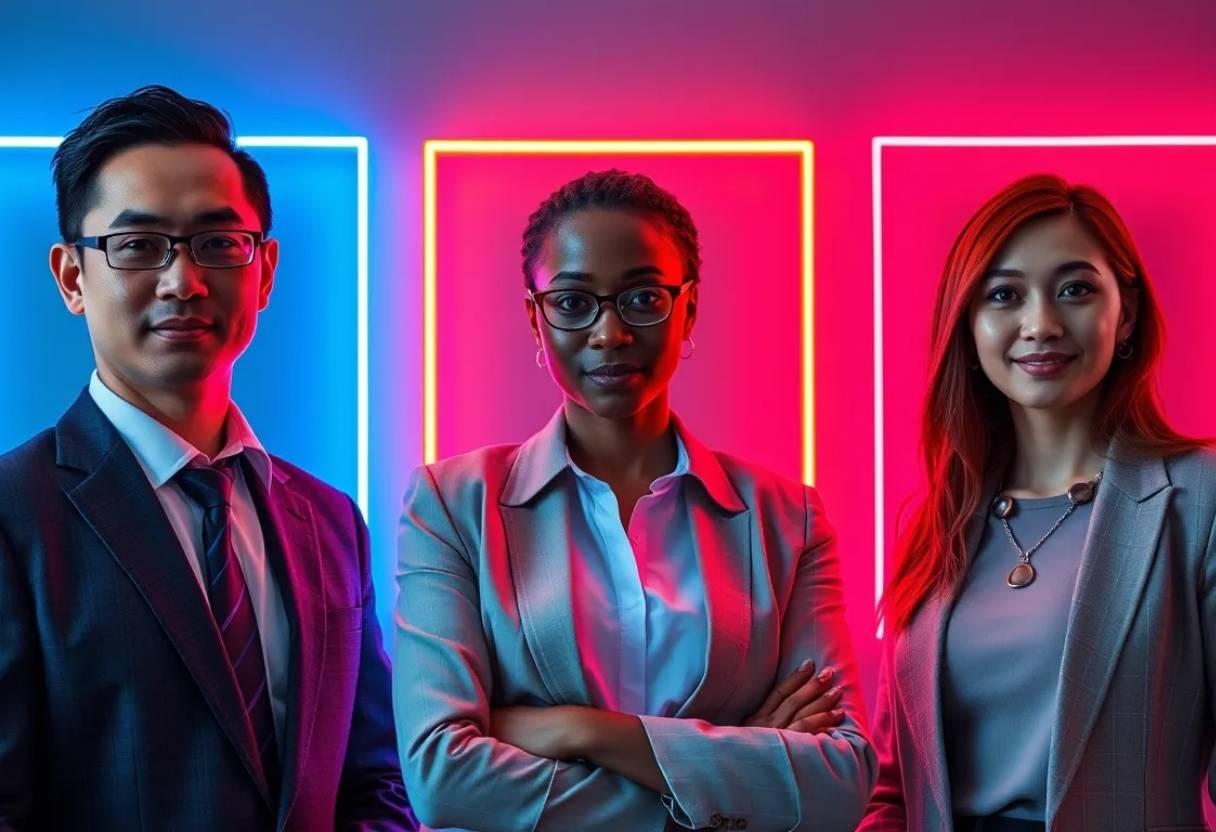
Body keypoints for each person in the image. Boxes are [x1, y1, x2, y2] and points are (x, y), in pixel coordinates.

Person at [394, 169, 875, 831]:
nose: (609, 333)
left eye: (643, 297)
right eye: (572, 302)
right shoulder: (452, 506)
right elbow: (443, 779)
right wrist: (725, 785)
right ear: (535, 319)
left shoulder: (787, 519)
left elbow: (840, 782)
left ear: (690, 309)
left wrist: (580, 731)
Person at [0, 86, 414, 830]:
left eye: (219, 244)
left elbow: (372, 779)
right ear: (71, 278)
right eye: (137, 246)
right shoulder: (12, 517)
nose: (182, 281)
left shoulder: (328, 520)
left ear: (264, 270)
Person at [860, 174, 1216, 832]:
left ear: (1127, 312)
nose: (1042, 324)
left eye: (1076, 289)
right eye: (1004, 295)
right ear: (968, 324)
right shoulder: (938, 521)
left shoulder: (1200, 500)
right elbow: (895, 789)